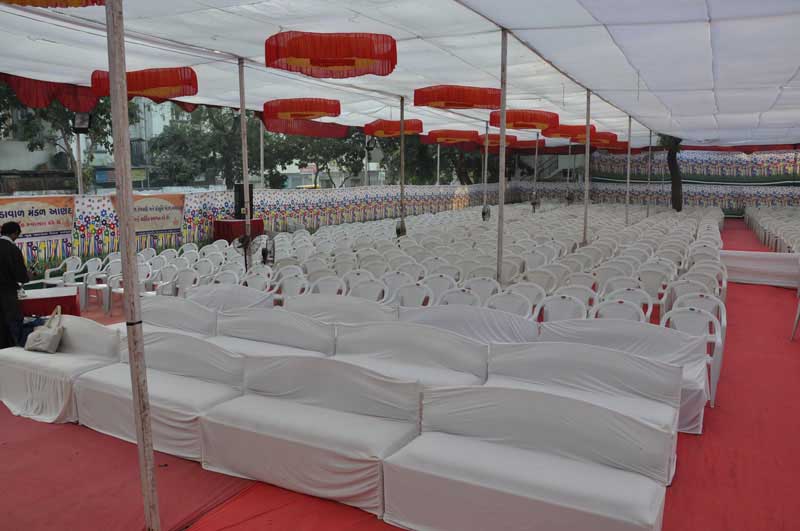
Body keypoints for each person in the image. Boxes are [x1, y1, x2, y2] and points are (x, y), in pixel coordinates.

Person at [0, 222, 31, 348]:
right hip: (7, 294)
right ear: (15, 233)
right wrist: (28, 276)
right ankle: (11, 350)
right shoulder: (13, 250)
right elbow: (21, 277)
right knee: (11, 323)